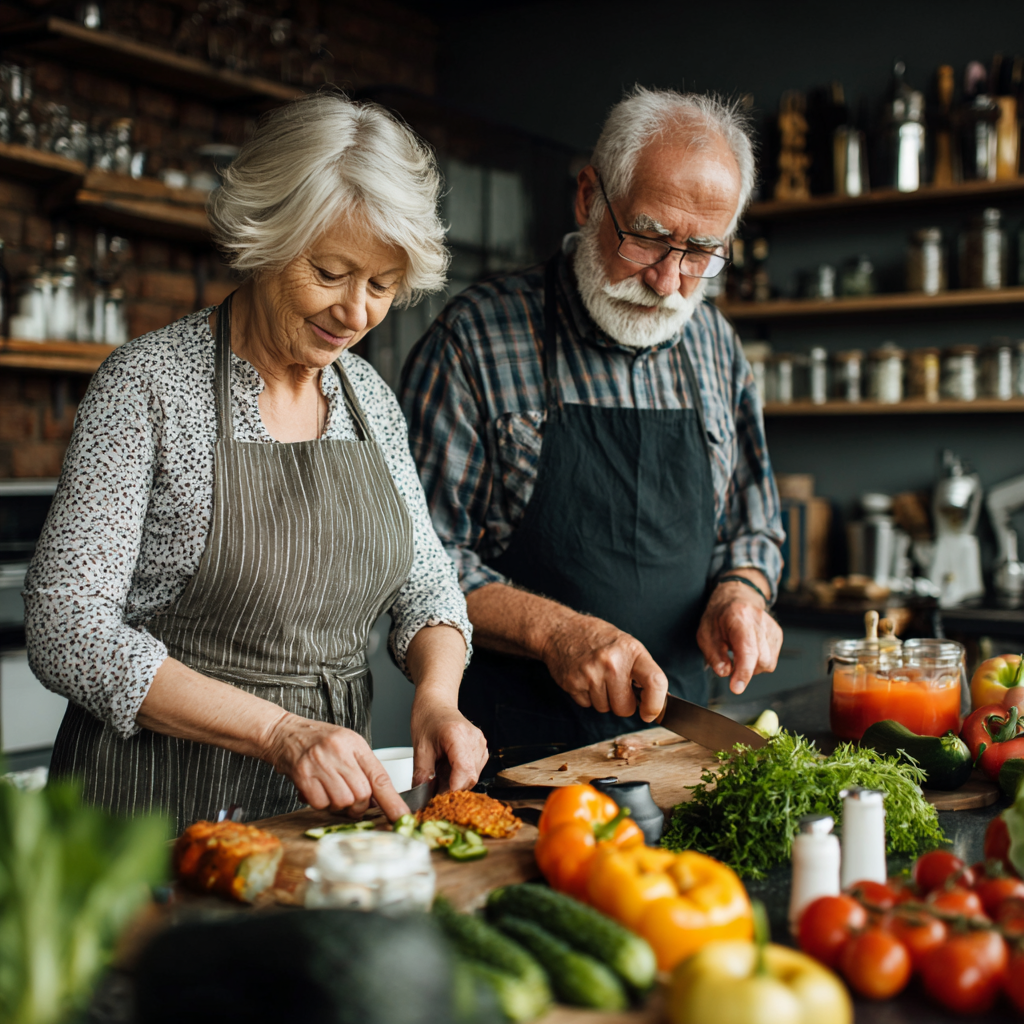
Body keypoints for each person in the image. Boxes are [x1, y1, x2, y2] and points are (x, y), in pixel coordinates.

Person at [25, 93, 487, 832]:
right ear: (266, 236)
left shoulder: (368, 396)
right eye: (332, 272)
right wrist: (279, 732)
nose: (356, 312)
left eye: (382, 285)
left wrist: (438, 696)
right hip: (148, 808)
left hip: (319, 811)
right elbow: (67, 627)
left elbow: (427, 586)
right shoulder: (147, 386)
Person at [401, 87, 785, 762]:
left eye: (701, 251)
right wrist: (554, 632)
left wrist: (741, 593)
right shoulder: (474, 340)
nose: (669, 281)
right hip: (512, 754)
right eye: (648, 238)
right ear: (587, 198)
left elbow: (752, 523)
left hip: (681, 745)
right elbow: (416, 563)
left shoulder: (714, 345)